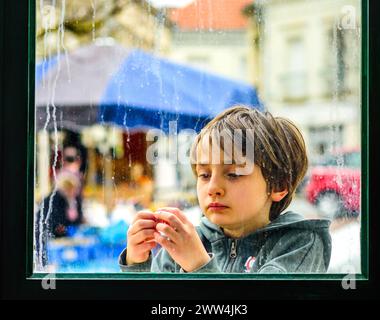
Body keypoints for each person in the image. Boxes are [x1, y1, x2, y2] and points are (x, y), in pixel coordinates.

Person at [119, 106, 331, 273]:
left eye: (233, 174)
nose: (213, 188)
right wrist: (138, 265)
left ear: (278, 185)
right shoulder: (185, 243)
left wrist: (199, 267)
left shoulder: (301, 242)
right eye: (204, 175)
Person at [35, 172, 83, 268]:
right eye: (73, 190)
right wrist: (63, 231)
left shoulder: (70, 199)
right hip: (46, 233)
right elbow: (56, 222)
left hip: (53, 232)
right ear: (67, 188)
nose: (75, 192)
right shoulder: (55, 199)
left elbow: (73, 219)